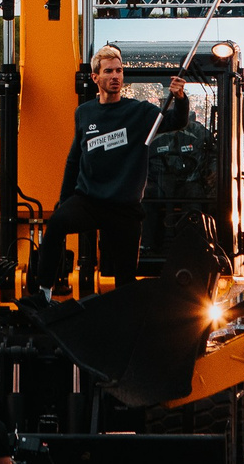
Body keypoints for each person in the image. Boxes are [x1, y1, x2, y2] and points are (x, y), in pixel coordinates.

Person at [30, 43, 187, 297]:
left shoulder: (140, 112)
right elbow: (74, 159)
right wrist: (64, 201)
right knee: (57, 224)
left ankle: (125, 325)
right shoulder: (84, 113)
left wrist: (180, 98)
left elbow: (176, 121)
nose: (115, 76)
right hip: (89, 200)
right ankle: (43, 293)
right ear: (95, 77)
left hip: (124, 208)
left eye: (119, 71)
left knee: (125, 279)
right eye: (109, 71)